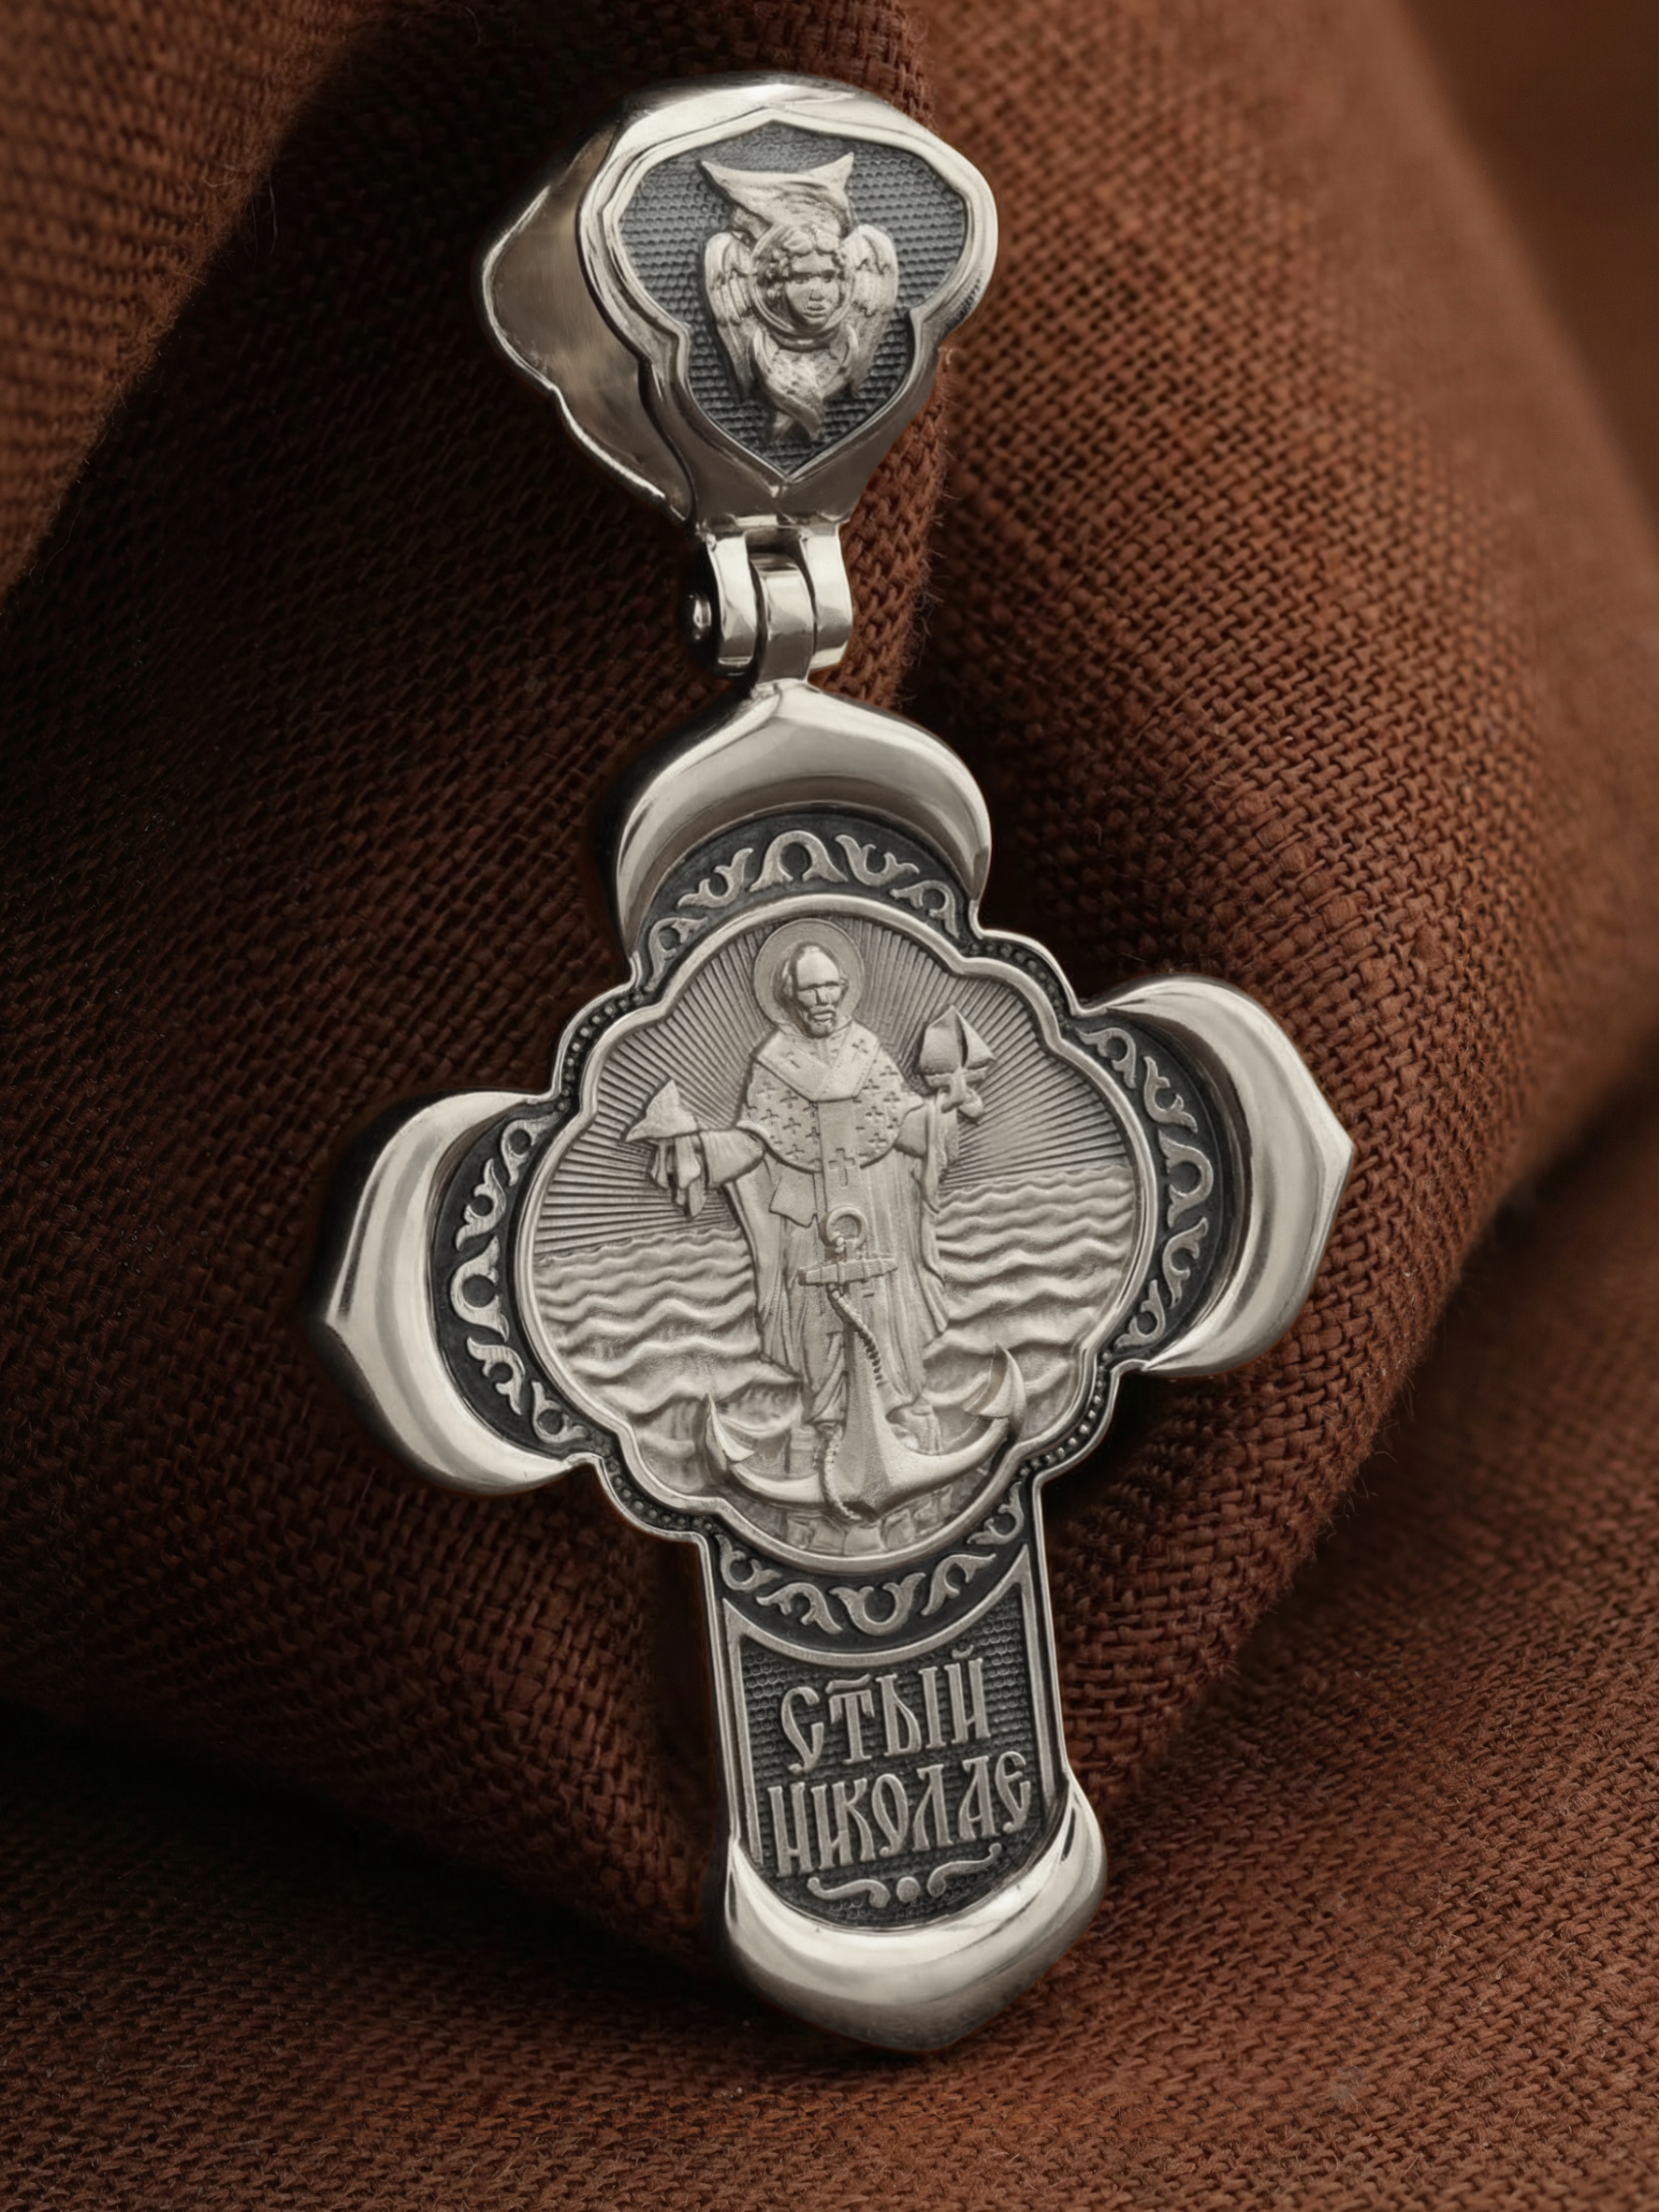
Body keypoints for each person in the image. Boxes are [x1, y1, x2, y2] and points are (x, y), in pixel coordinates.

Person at [630, 930, 985, 1477]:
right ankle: (828, 1422)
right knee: (818, 1321)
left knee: (886, 1310)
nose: (822, 1000)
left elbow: (900, 1124)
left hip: (876, 1210)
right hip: (808, 1218)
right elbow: (756, 1142)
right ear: (789, 995)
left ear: (844, 988)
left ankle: (902, 1409)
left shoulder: (867, 1050)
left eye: (829, 987)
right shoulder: (773, 1063)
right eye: (809, 990)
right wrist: (696, 1147)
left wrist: (944, 1111)